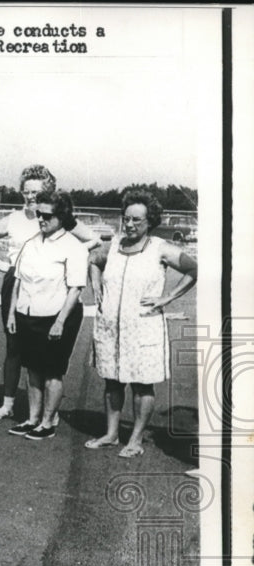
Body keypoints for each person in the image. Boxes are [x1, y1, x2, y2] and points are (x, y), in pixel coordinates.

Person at [85, 190, 197, 457]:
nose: (130, 225)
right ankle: (112, 434)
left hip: (144, 327)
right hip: (110, 327)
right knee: (111, 381)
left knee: (141, 384)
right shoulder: (112, 246)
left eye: (137, 220)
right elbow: (93, 260)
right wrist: (96, 284)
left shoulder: (160, 248)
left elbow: (194, 269)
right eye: (126, 219)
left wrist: (167, 297)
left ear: (150, 221)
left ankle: (135, 439)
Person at [0, 165, 100, 420]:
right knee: (13, 346)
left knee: (48, 350)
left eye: (36, 191)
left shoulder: (56, 216)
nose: (30, 196)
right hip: (16, 283)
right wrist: (1, 263)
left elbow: (95, 240)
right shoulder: (13, 219)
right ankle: (8, 403)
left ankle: (49, 410)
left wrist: (72, 257)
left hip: (51, 286)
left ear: (48, 191)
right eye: (26, 191)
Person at [6, 191, 88, 440]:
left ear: (62, 216)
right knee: (32, 369)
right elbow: (18, 282)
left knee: (52, 371)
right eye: (38, 214)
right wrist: (12, 313)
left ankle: (48, 422)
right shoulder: (31, 243)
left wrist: (60, 322)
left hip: (57, 316)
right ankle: (32, 419)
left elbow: (75, 288)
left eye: (47, 216)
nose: (41, 219)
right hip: (27, 314)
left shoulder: (73, 247)